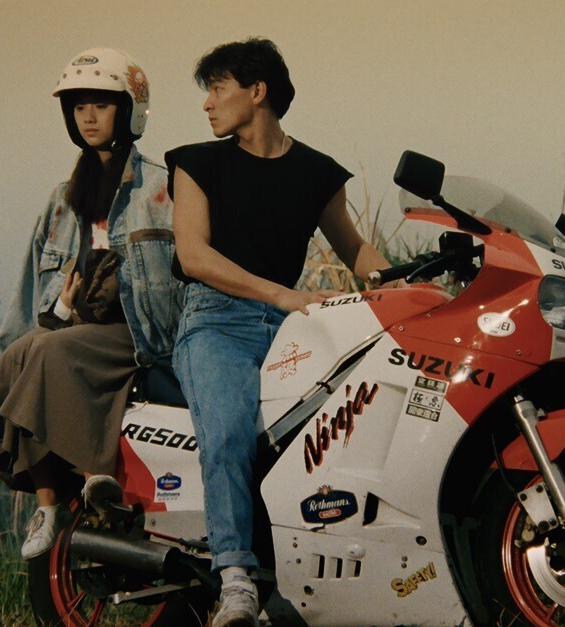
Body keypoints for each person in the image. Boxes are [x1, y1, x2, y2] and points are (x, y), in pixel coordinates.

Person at [166, 38, 396, 627]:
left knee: (334, 439)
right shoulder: (198, 163)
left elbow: (354, 248)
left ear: (257, 91)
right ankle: (235, 580)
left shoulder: (315, 172)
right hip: (215, 322)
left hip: (291, 327)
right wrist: (281, 295)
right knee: (229, 434)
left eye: (217, 88)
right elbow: (193, 255)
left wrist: (403, 286)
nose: (207, 104)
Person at [0, 47, 180, 560]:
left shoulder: (163, 188)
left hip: (139, 335)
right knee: (19, 352)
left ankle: (93, 477)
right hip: (75, 329)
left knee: (50, 351)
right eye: (78, 107)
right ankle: (48, 506)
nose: (88, 117)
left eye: (101, 104)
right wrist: (50, 320)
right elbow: (31, 294)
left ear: (130, 109)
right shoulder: (60, 198)